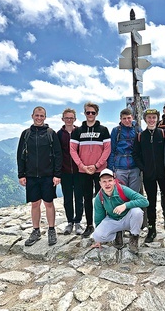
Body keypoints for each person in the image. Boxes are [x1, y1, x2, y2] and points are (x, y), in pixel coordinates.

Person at [17, 106, 62, 246]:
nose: (39, 118)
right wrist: (21, 174)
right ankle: (35, 230)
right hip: (31, 175)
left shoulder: (50, 133)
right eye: (37, 115)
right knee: (35, 203)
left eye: (42, 116)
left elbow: (58, 155)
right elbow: (20, 156)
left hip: (48, 175)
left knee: (49, 203)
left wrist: (57, 174)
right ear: (32, 116)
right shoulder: (26, 134)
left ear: (45, 117)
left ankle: (51, 230)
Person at [70, 102, 111, 238]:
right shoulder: (77, 131)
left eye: (93, 112)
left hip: (99, 171)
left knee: (103, 198)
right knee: (87, 198)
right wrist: (82, 166)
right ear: (85, 113)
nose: (90, 115)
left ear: (97, 114)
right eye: (88, 112)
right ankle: (89, 225)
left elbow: (107, 150)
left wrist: (97, 165)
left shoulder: (104, 130)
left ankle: (103, 224)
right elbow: (72, 150)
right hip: (84, 171)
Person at [132, 109, 165, 243]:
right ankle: (151, 228)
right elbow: (135, 154)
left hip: (163, 173)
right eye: (149, 118)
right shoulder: (140, 136)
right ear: (145, 119)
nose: (151, 120)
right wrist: (143, 167)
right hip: (148, 174)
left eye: (154, 117)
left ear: (157, 119)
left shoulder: (164, 134)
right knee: (151, 201)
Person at [92, 168, 149, 254]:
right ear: (100, 183)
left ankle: (134, 238)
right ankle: (117, 234)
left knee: (137, 212)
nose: (107, 184)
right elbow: (98, 218)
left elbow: (145, 201)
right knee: (97, 236)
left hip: (128, 219)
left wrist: (125, 205)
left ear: (114, 181)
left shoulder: (123, 189)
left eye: (110, 180)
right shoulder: (99, 198)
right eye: (104, 181)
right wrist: (98, 240)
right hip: (113, 220)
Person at [57, 108, 83, 235]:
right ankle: (69, 222)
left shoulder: (79, 132)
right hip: (65, 171)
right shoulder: (59, 134)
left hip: (79, 171)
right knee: (67, 198)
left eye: (71, 118)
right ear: (63, 119)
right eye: (66, 118)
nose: (69, 120)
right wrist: (57, 172)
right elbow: (56, 154)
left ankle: (78, 221)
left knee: (79, 197)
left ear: (75, 119)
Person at [107, 108, 142, 192]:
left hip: (135, 167)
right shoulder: (116, 131)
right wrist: (111, 169)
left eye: (129, 118)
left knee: (134, 195)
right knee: (121, 194)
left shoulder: (138, 130)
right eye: (124, 118)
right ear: (120, 119)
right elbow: (112, 150)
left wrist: (142, 166)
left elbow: (142, 149)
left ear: (132, 117)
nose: (127, 120)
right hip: (120, 168)